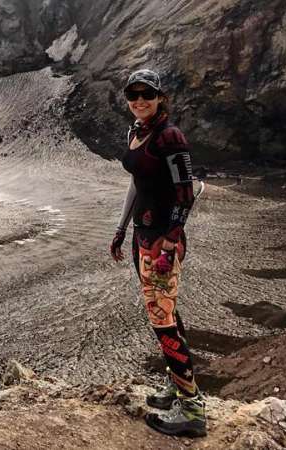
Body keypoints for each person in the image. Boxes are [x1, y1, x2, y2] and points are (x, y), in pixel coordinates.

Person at [109, 69, 206, 437]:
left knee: (162, 320)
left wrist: (169, 245)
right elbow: (137, 183)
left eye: (146, 94)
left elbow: (185, 194)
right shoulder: (137, 132)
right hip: (141, 235)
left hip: (161, 242)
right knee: (166, 314)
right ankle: (177, 386)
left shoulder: (170, 137)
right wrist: (121, 229)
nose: (139, 100)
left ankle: (193, 410)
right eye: (132, 94)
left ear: (160, 96)